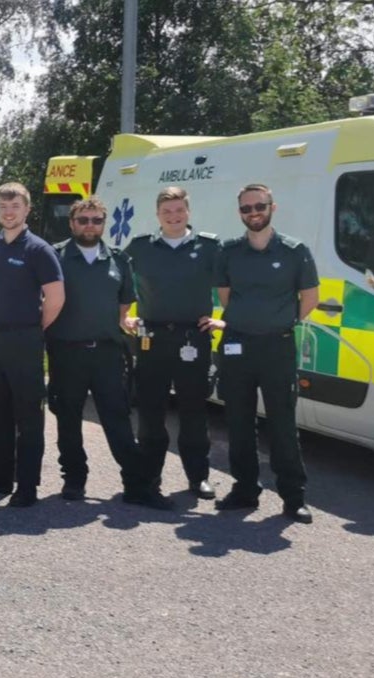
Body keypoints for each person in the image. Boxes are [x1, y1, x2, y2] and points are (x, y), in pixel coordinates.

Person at [44, 197, 162, 508]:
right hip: (67, 352)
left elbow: (124, 307)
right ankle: (74, 479)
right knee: (68, 419)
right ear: (72, 223)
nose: (89, 226)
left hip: (107, 354)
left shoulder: (119, 260)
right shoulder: (54, 256)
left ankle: (137, 485)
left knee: (117, 418)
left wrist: (128, 323)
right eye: (83, 220)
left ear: (103, 224)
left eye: (96, 220)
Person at [214, 184, 320, 524]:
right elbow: (226, 296)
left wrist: (278, 322)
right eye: (246, 208)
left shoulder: (294, 250)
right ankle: (245, 490)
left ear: (272, 206)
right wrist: (248, 322)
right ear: (240, 213)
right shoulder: (229, 251)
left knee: (283, 424)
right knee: (239, 421)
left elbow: (310, 297)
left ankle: (293, 498)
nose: (253, 212)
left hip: (277, 346)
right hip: (237, 345)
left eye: (259, 206)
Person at [0, 182, 64, 507]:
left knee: (28, 418)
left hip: (24, 341)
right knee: (0, 415)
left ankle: (27, 486)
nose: (9, 212)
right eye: (3, 207)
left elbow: (56, 298)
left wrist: (32, 328)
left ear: (26, 210)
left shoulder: (39, 249)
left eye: (15, 206)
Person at [124, 186, 223, 500]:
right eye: (167, 211)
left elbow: (234, 285)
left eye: (179, 210)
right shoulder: (141, 248)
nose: (174, 217)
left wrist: (226, 318)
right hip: (151, 339)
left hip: (193, 338)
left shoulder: (209, 247)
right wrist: (123, 316)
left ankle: (198, 477)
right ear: (157, 214)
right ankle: (150, 476)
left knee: (194, 411)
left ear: (188, 212)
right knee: (151, 412)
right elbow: (118, 282)